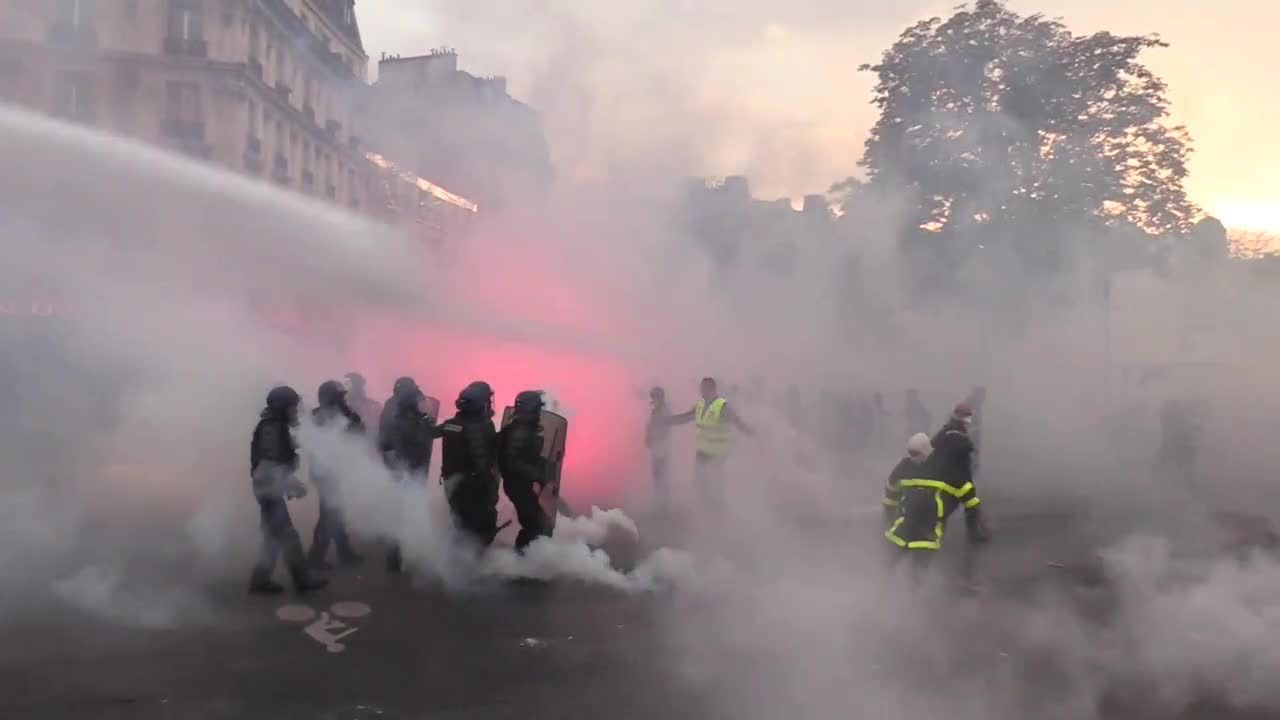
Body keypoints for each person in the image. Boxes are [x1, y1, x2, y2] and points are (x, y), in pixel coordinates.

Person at [884, 403, 991, 585]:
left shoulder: (909, 465)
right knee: (917, 569)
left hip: (906, 526)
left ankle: (884, 592)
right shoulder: (948, 464)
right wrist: (973, 528)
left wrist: (887, 518)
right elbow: (968, 494)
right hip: (928, 527)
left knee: (892, 564)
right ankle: (911, 593)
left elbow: (890, 493)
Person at [248, 386, 328, 596]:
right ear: (282, 407)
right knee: (287, 536)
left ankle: (260, 581)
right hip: (268, 490)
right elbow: (268, 467)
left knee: (271, 537)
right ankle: (302, 581)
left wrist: (294, 444)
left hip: (268, 488)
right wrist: (292, 484)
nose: (295, 411)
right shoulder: (272, 429)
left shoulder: (276, 427)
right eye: (292, 407)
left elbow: (277, 455)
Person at [377, 376, 437, 573]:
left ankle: (396, 556)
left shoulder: (393, 408)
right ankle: (397, 558)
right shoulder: (407, 418)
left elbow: (383, 443)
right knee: (403, 514)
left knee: (398, 513)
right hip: (407, 471)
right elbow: (417, 442)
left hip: (398, 470)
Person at [668, 377, 753, 509]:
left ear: (712, 389)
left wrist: (751, 433)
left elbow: (737, 422)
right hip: (702, 452)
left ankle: (718, 511)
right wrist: (668, 421)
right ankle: (706, 509)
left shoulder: (722, 406)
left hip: (717, 454)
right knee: (700, 483)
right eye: (701, 388)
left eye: (704, 388)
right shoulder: (700, 405)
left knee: (715, 484)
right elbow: (686, 417)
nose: (701, 391)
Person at [307, 380, 365, 571]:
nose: (343, 400)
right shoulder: (322, 417)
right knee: (329, 515)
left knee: (336, 512)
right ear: (331, 398)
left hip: (331, 471)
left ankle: (344, 552)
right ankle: (315, 558)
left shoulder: (323, 415)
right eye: (340, 397)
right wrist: (348, 415)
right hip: (326, 472)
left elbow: (358, 432)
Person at [439, 381, 501, 548]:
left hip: (451, 481)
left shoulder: (452, 423)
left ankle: (451, 555)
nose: (489, 404)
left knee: (459, 520)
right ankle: (468, 558)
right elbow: (481, 461)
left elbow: (432, 432)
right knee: (481, 524)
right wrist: (491, 489)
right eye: (487, 401)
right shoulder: (480, 427)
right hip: (472, 485)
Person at [498, 390, 553, 551]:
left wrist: (544, 464)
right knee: (537, 526)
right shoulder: (519, 432)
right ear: (531, 409)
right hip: (518, 486)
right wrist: (537, 474)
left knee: (537, 524)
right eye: (538, 408)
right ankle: (522, 558)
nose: (539, 413)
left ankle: (524, 557)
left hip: (520, 485)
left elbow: (525, 456)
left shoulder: (522, 428)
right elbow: (512, 462)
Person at [882, 433, 934, 529]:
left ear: (926, 451)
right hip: (905, 518)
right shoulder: (903, 467)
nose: (913, 457)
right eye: (911, 453)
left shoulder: (936, 466)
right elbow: (891, 490)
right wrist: (890, 517)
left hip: (930, 520)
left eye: (916, 453)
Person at [645, 386, 675, 505]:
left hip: (661, 449)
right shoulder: (657, 409)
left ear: (660, 397)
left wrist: (652, 436)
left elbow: (663, 427)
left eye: (654, 396)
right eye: (652, 396)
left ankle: (663, 503)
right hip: (657, 448)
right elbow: (652, 425)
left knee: (661, 477)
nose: (653, 399)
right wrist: (649, 435)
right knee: (658, 477)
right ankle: (660, 502)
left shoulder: (663, 411)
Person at [344, 372, 383, 441]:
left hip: (367, 442)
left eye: (348, 384)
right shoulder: (342, 406)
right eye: (345, 384)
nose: (345, 388)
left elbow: (377, 429)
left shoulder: (373, 406)